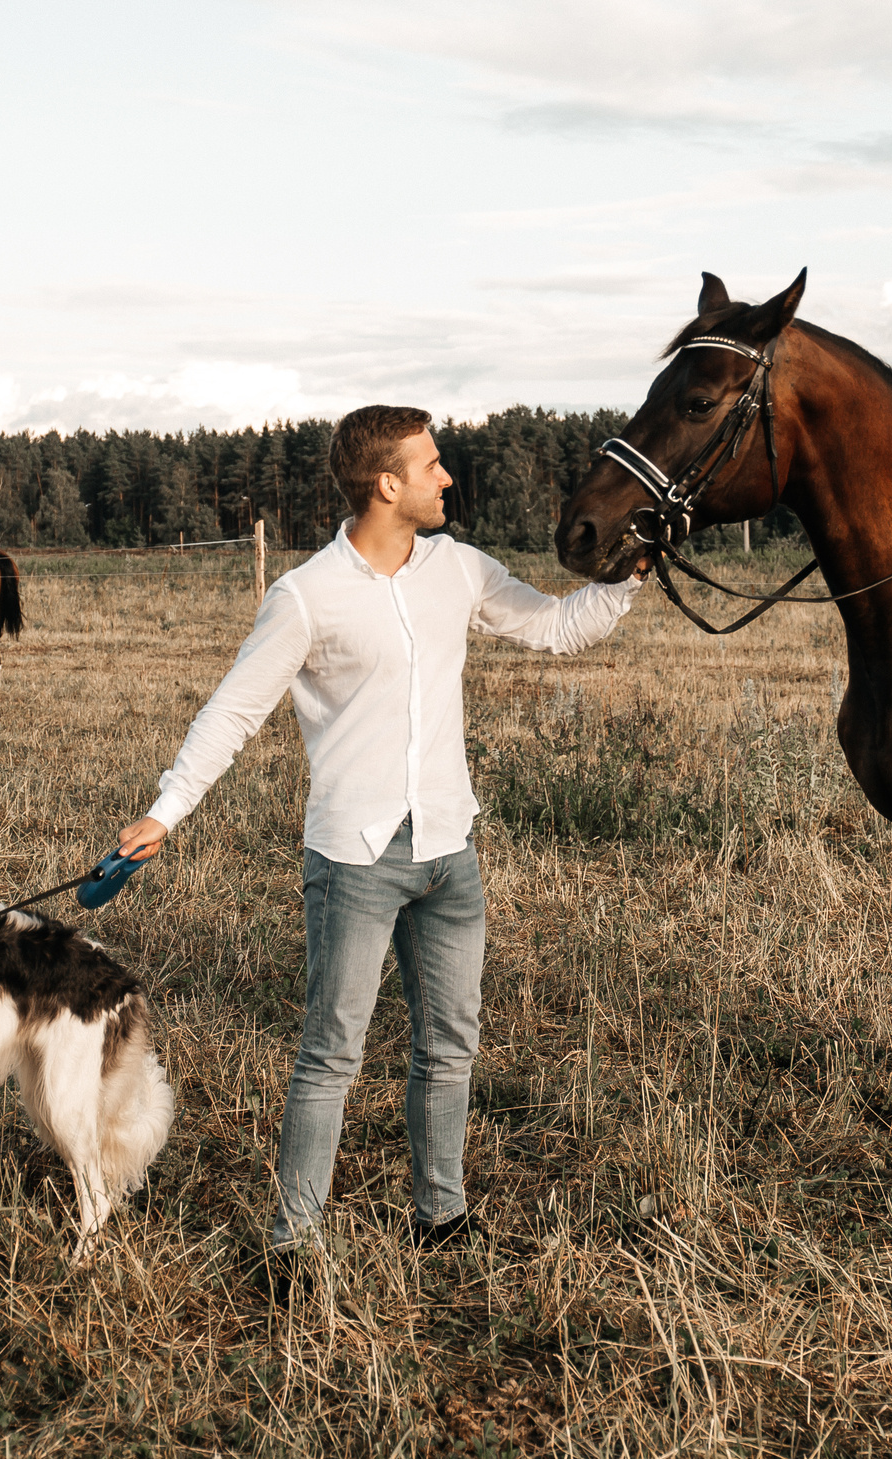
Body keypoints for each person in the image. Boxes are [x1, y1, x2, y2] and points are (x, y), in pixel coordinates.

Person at [109, 406, 642, 1252]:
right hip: (355, 857)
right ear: (386, 483)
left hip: (448, 852)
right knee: (332, 1054)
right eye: (431, 464)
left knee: (450, 1043)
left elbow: (553, 627)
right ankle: (294, 1239)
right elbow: (235, 712)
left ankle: (441, 1212)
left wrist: (630, 577)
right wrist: (165, 810)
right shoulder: (306, 595)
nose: (447, 476)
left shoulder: (459, 570)